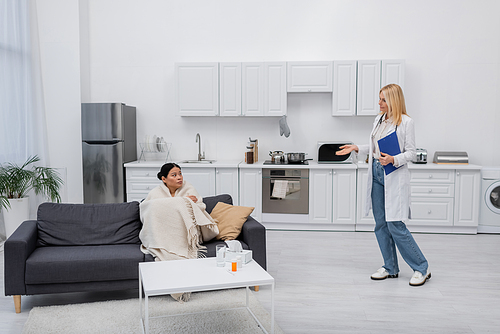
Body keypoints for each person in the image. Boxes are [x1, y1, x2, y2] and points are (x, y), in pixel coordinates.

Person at [336, 83, 431, 286]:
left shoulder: (406, 122)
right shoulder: (379, 120)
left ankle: (421, 268)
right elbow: (375, 148)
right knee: (380, 224)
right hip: (377, 173)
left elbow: (411, 153)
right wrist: (357, 148)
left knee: (395, 224)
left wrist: (394, 159)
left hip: (393, 173)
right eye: (379, 98)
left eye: (383, 99)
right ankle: (390, 267)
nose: (379, 103)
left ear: (393, 101)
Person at [139, 163, 219, 301]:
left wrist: (188, 204)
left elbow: (200, 206)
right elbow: (148, 209)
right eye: (174, 175)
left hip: (188, 234)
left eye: (180, 173)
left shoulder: (189, 188)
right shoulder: (155, 193)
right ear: (164, 179)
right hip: (164, 234)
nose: (179, 177)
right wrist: (183, 202)